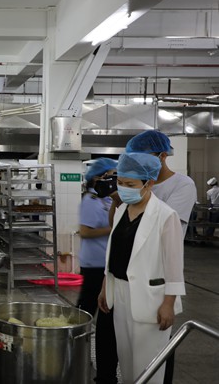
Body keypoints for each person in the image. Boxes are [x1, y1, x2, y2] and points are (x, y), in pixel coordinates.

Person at [98, 153, 185, 384]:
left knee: (148, 368)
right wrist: (106, 285)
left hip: (151, 299)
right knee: (127, 363)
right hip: (120, 293)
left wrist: (168, 304)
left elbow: (174, 265)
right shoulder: (121, 211)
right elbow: (114, 253)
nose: (123, 189)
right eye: (120, 182)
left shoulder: (166, 216)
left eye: (130, 185)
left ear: (149, 183)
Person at [121, 129, 196, 384]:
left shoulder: (182, 185)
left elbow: (160, 227)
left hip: (158, 272)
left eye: (142, 157)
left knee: (157, 349)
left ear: (162, 156)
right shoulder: (136, 185)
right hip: (131, 274)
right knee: (133, 350)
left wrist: (169, 301)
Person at [77, 158, 118, 384]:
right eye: (111, 174)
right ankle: (72, 348)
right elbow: (84, 231)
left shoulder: (107, 199)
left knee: (101, 311)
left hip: (106, 263)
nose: (115, 179)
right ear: (98, 177)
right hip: (94, 264)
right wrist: (114, 229)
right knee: (86, 309)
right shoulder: (91, 200)